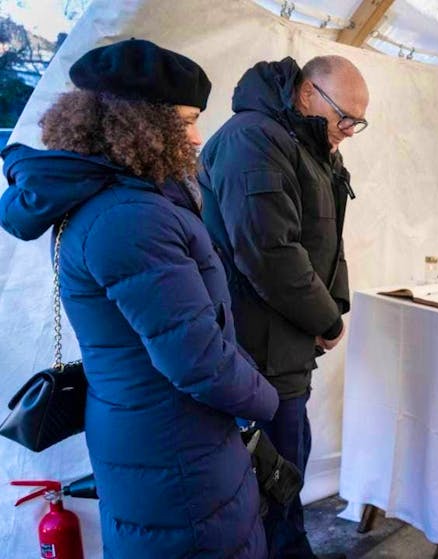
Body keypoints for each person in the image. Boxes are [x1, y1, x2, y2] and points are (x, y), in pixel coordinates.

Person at [0, 39, 279, 558]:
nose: (198, 136)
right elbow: (197, 361)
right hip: (174, 449)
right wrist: (266, 401)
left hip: (160, 436)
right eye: (187, 119)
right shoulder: (129, 217)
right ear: (142, 123)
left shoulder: (123, 198)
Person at [197, 54, 368, 558]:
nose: (351, 130)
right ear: (307, 93)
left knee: (289, 460)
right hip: (257, 347)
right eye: (346, 116)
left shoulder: (310, 143)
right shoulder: (254, 139)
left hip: (286, 341)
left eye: (359, 121)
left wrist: (333, 305)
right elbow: (271, 253)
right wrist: (327, 317)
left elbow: (326, 240)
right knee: (272, 473)